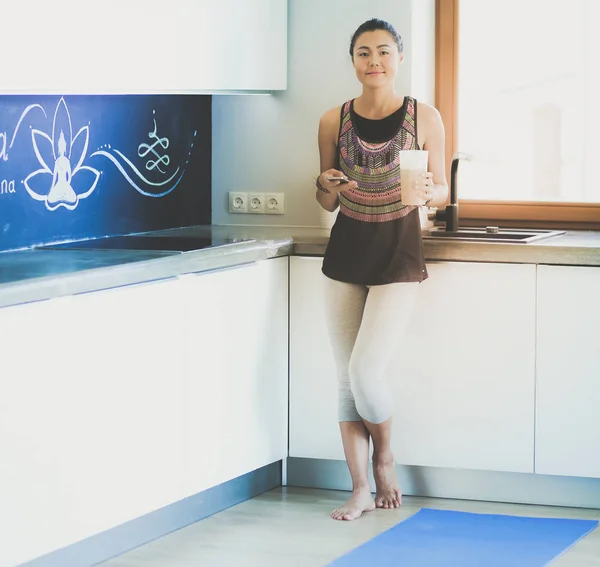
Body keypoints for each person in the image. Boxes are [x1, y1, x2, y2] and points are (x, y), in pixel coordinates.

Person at [315, 18, 448, 521]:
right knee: (345, 380)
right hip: (346, 251)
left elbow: (442, 190)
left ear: (399, 58)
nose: (375, 61)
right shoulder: (333, 120)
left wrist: (429, 193)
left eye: (385, 52)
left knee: (364, 370)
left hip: (398, 252)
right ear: (353, 61)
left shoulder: (423, 116)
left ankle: (385, 457)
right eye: (365, 53)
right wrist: (325, 183)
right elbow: (326, 200)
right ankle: (358, 488)